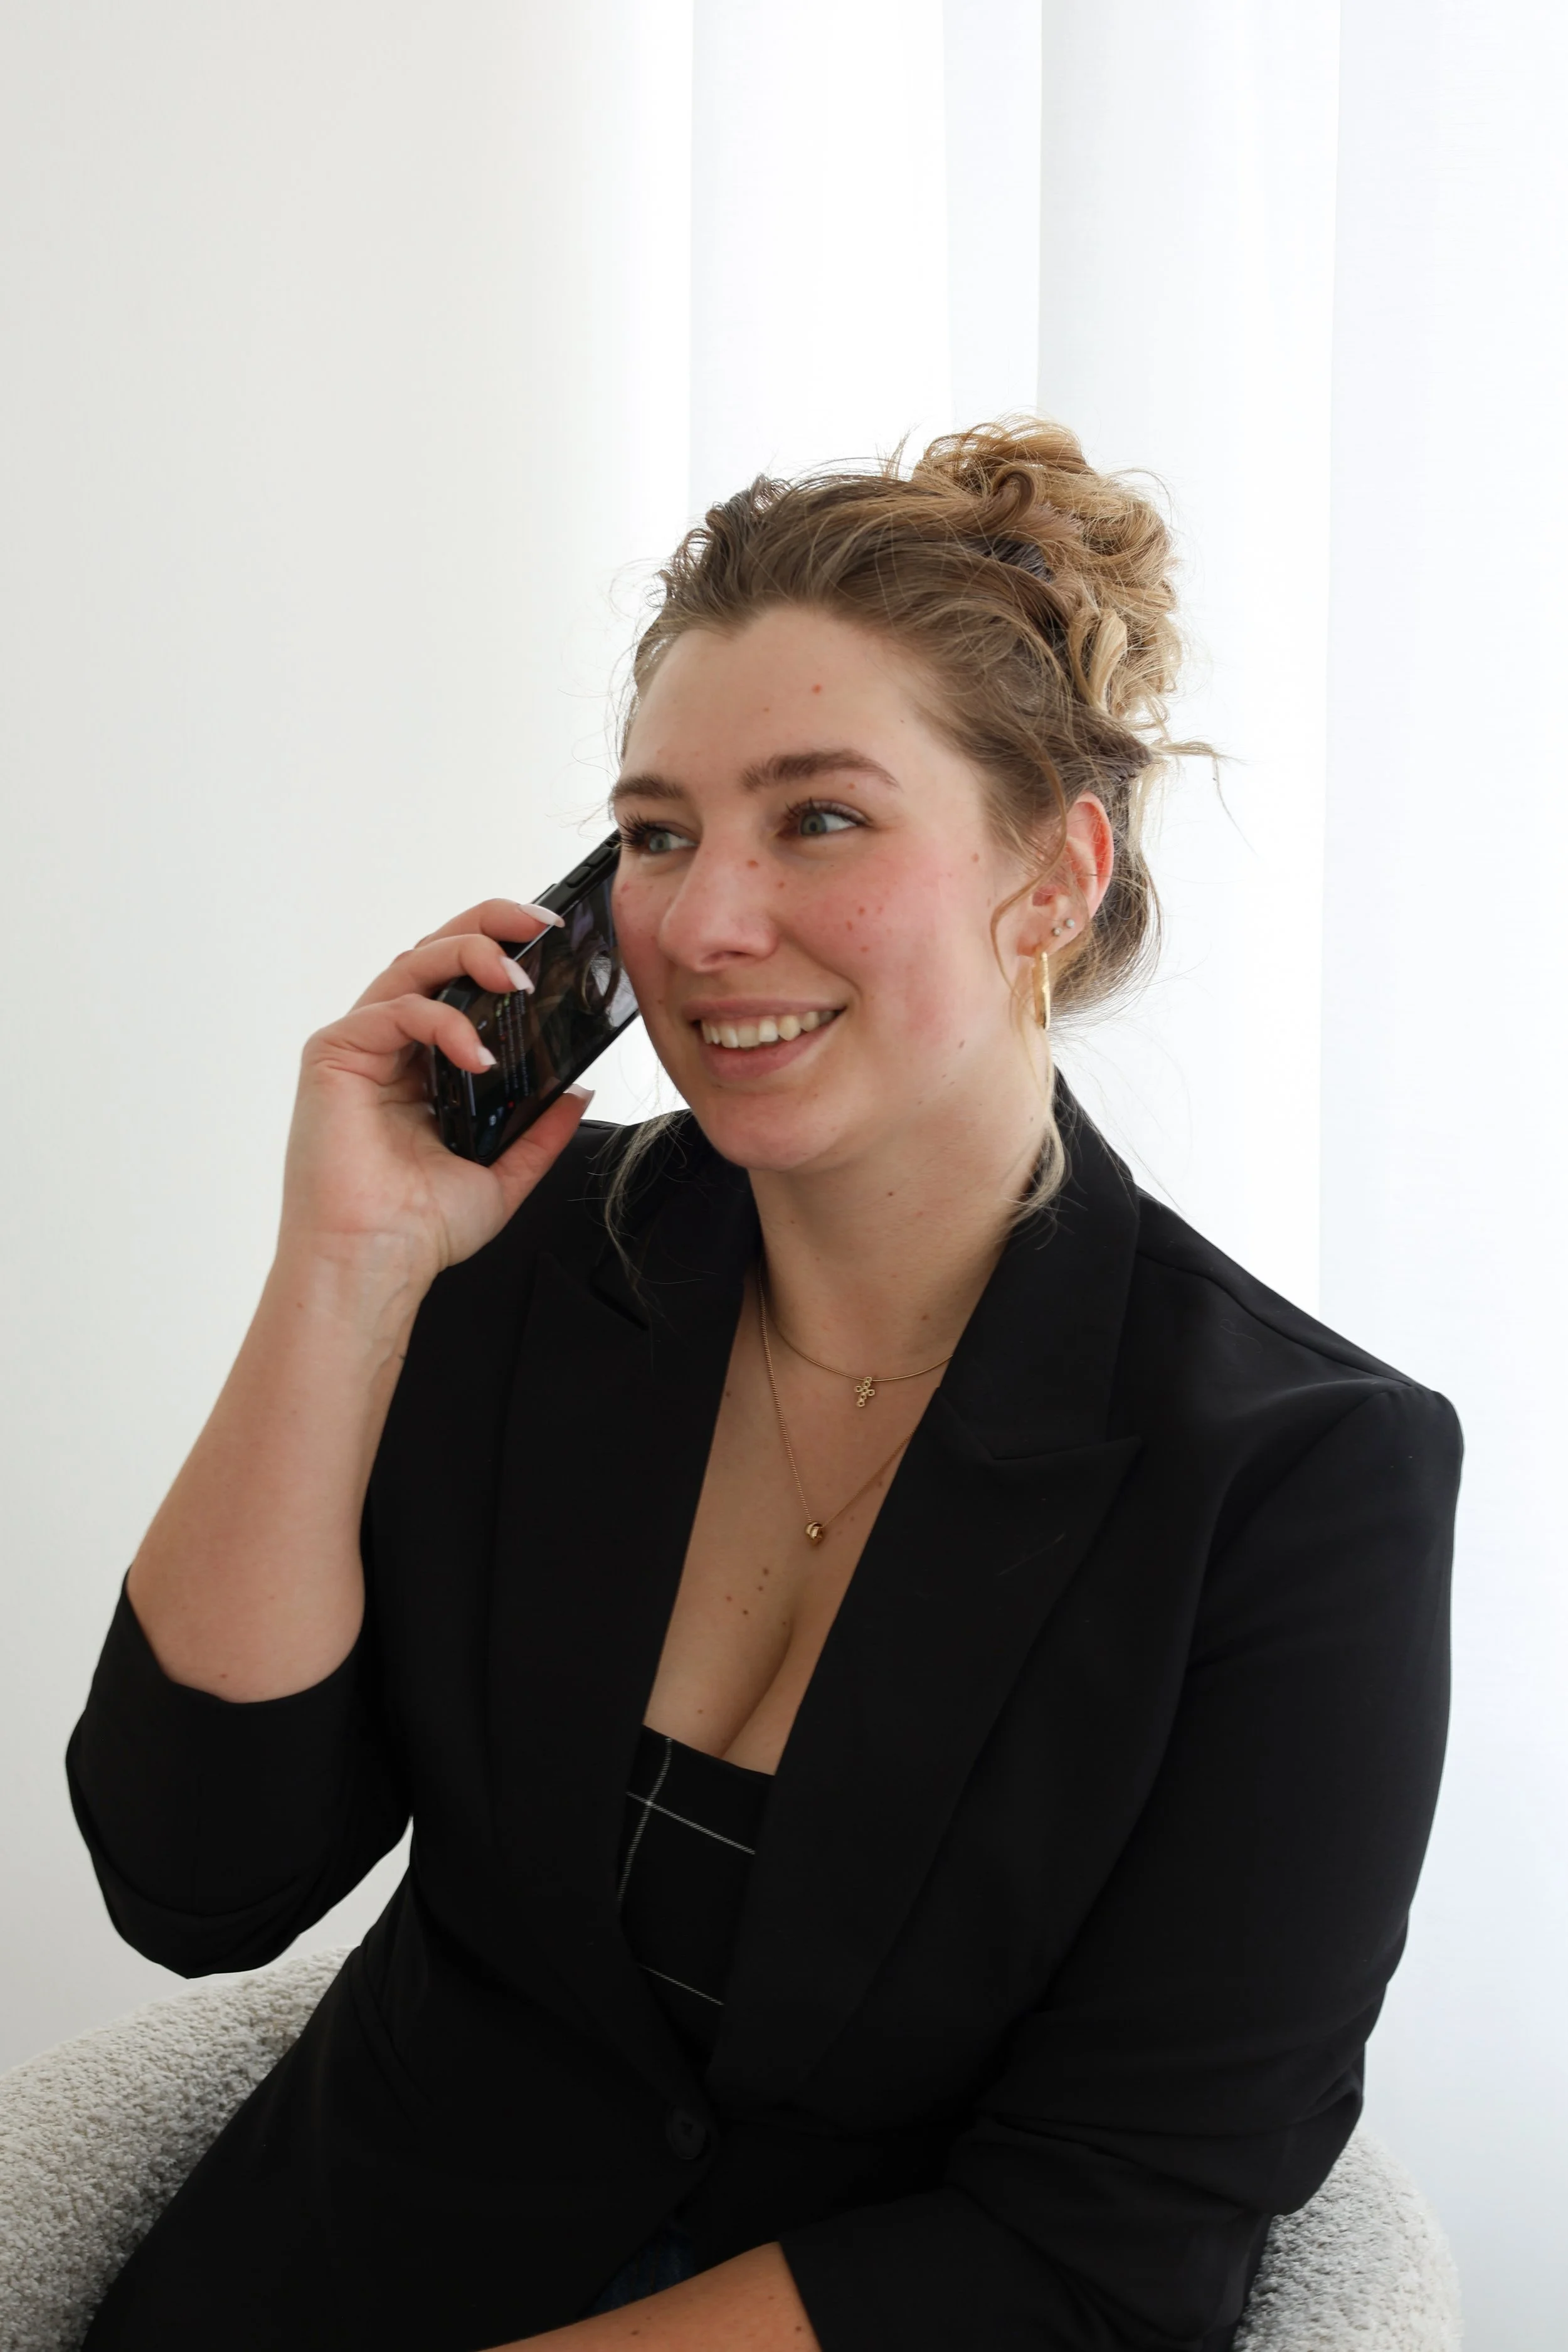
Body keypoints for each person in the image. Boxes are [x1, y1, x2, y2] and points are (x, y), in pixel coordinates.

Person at [66, 418, 1461, 2352]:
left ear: (1052, 875)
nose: (702, 921)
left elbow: (1105, 2241)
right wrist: (345, 1273)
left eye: (816, 817)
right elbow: (191, 1872)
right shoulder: (528, 1274)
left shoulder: (1300, 1479)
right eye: (654, 833)